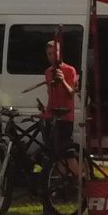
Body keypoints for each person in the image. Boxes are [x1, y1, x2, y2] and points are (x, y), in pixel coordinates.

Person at [40, 36, 80, 190]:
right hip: (51, 117)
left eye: (54, 53)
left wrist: (62, 80)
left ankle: (81, 182)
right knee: (54, 155)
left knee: (67, 153)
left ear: (60, 53)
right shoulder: (48, 72)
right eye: (49, 54)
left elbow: (72, 93)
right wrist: (45, 113)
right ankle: (62, 184)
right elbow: (50, 96)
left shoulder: (70, 70)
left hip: (65, 117)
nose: (52, 57)